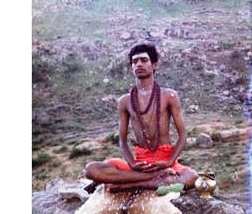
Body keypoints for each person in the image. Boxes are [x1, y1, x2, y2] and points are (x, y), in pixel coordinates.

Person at [83, 43, 198, 193]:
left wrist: (169, 162)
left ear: (154, 65)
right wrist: (132, 164)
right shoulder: (125, 101)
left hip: (165, 162)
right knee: (91, 170)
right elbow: (122, 141)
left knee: (192, 177)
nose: (139, 64)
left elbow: (183, 135)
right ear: (131, 68)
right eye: (135, 62)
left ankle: (129, 184)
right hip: (140, 165)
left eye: (144, 60)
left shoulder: (169, 95)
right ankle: (154, 178)